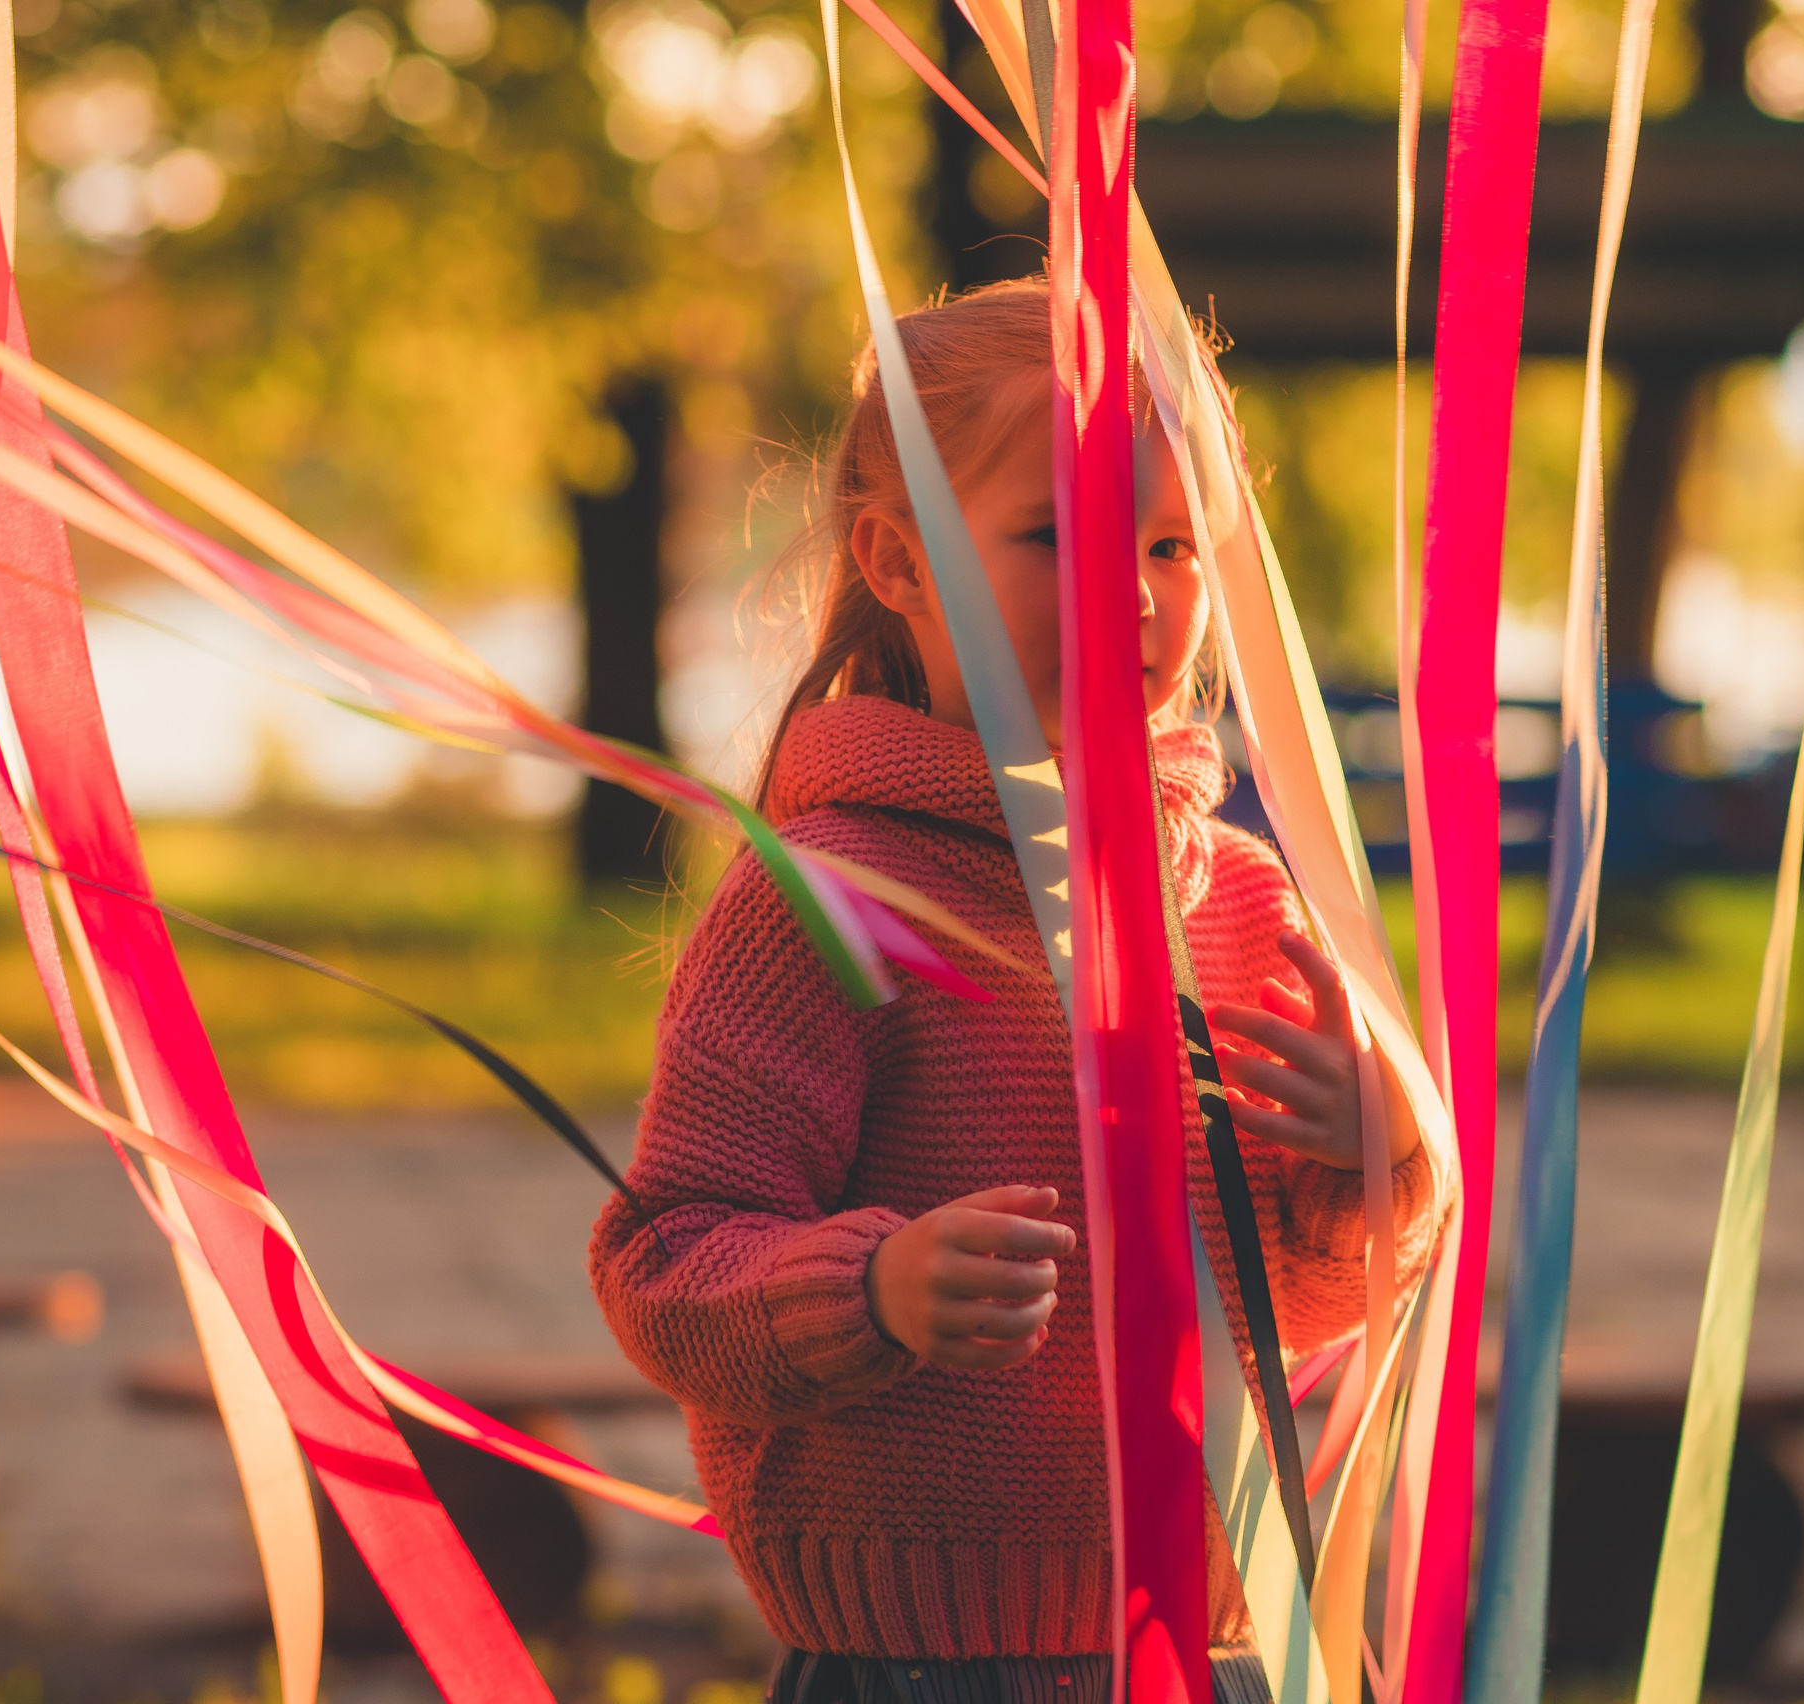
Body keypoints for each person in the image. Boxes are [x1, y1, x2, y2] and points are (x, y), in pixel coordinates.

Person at [589, 277, 1446, 1704]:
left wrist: (1377, 1164)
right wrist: (874, 1288)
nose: (1139, 591)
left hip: (1215, 1639)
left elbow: (1286, 1306)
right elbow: (663, 1267)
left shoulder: (1236, 895)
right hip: (921, 1662)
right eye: (1057, 537)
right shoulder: (827, 904)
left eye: (1174, 545)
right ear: (898, 560)